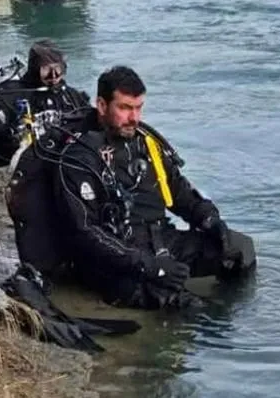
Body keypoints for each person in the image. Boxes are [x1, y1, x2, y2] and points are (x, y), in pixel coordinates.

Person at [46, 65, 257, 310]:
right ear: (102, 106)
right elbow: (84, 232)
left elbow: (180, 193)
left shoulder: (146, 145)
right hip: (115, 259)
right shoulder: (79, 156)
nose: (134, 118)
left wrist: (212, 221)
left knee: (241, 250)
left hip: (161, 240)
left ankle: (235, 316)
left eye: (138, 108)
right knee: (191, 309)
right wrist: (149, 266)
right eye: (124, 108)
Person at [0, 40, 90, 168]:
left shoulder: (70, 96)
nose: (54, 75)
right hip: (12, 164)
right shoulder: (10, 94)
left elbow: (93, 121)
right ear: (34, 68)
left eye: (58, 69)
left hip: (62, 162)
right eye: (46, 69)